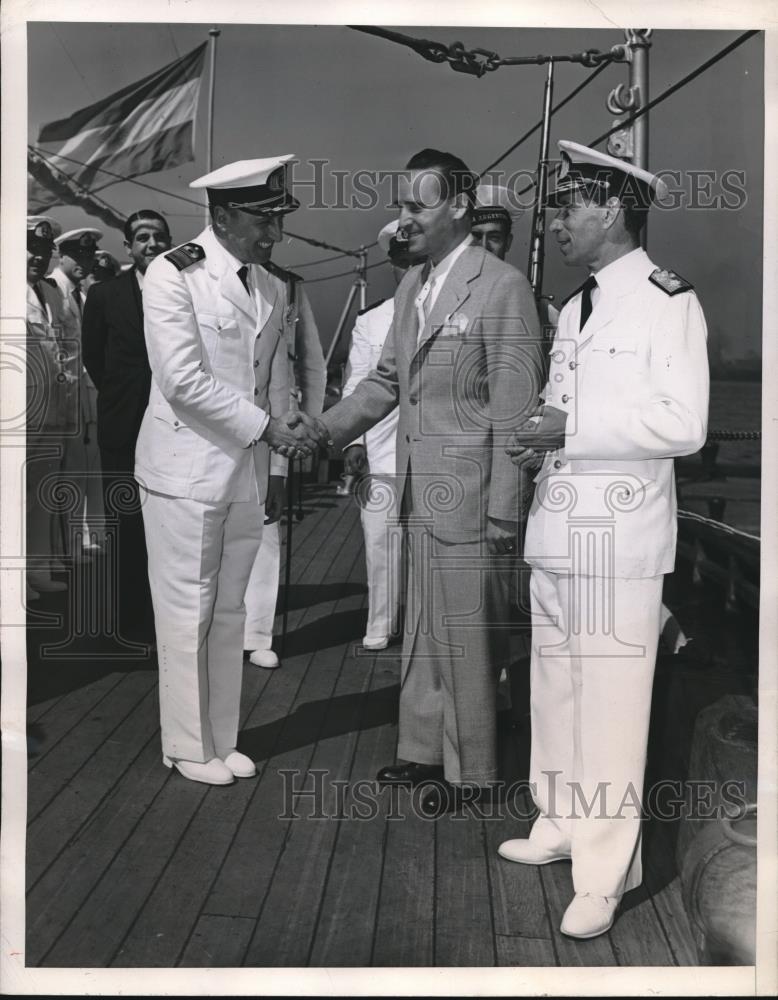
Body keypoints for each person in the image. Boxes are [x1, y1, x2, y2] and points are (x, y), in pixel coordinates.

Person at [499, 140, 709, 939]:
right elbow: (565, 410)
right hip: (558, 530)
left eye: (565, 206)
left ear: (611, 209)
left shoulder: (667, 301)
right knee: (554, 691)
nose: (552, 221)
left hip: (619, 540)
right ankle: (557, 822)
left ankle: (604, 873)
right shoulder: (578, 303)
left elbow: (682, 425)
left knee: (613, 711)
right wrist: (542, 437)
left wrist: (571, 427)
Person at [310, 149, 544, 808]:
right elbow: (386, 381)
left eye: (417, 206)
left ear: (458, 207)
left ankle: (473, 773)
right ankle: (420, 750)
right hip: (419, 490)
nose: (404, 219)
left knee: (466, 639)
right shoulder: (415, 286)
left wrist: (505, 509)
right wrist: (321, 431)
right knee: (421, 632)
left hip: (472, 500)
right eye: (402, 206)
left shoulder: (500, 286)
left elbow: (516, 410)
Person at [134, 155, 318, 786]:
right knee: (188, 611)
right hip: (184, 470)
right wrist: (268, 427)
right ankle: (186, 745)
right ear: (224, 214)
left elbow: (272, 380)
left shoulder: (268, 284)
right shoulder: (172, 273)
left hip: (244, 471)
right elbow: (181, 381)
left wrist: (287, 425)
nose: (273, 236)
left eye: (277, 222)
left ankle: (220, 738)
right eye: (262, 222)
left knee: (230, 611)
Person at [82, 210, 173, 643]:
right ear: (128, 247)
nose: (151, 244)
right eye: (142, 237)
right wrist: (122, 394)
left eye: (158, 237)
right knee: (124, 521)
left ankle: (164, 615)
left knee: (169, 525)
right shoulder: (104, 295)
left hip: (173, 426)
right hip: (123, 423)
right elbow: (94, 357)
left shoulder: (183, 291)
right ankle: (127, 618)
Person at [243, 250, 326, 669]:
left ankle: (257, 635)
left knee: (264, 536)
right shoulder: (193, 277)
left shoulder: (288, 286)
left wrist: (305, 433)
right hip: (208, 433)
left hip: (268, 432)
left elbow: (309, 364)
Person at [340, 221, 419, 651]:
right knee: (380, 543)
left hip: (432, 453)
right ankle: (381, 623)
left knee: (431, 547)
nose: (409, 270)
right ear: (392, 264)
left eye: (417, 261)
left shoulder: (444, 309)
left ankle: (425, 626)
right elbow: (356, 383)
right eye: (402, 262)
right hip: (383, 450)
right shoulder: (372, 322)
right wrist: (352, 442)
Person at [49, 227, 105, 555]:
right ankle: (64, 549)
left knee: (82, 473)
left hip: (85, 399)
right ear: (62, 255)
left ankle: (79, 543)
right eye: (80, 254)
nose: (87, 261)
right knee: (65, 478)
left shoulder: (81, 296)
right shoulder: (52, 291)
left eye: (90, 255)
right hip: (61, 400)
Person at [25, 216, 70, 598]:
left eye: (41, 249)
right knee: (12, 494)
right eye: (29, 247)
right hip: (17, 412)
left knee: (41, 491)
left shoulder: (51, 292)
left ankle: (36, 569)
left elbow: (67, 344)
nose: (36, 256)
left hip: (53, 407)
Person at [470, 182, 517, 261]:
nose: (484, 246)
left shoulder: (514, 274)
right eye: (476, 237)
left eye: (494, 238)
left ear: (508, 243)